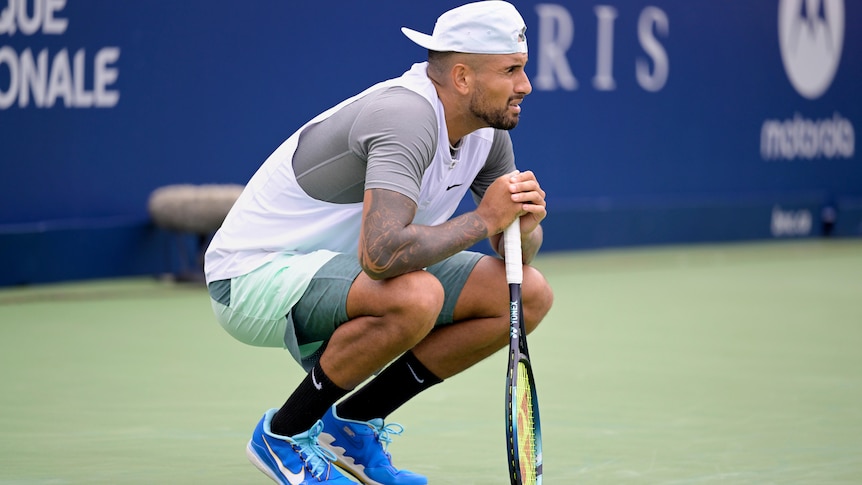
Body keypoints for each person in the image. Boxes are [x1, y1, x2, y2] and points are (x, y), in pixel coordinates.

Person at [204, 1, 554, 484]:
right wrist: (485, 218)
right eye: (511, 70)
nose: (525, 86)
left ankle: (350, 425)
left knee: (529, 294)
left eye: (524, 69)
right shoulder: (405, 116)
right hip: (251, 277)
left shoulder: (486, 133)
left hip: (349, 273)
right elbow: (383, 255)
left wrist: (524, 226)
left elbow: (511, 255)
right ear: (462, 77)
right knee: (417, 295)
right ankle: (282, 435)